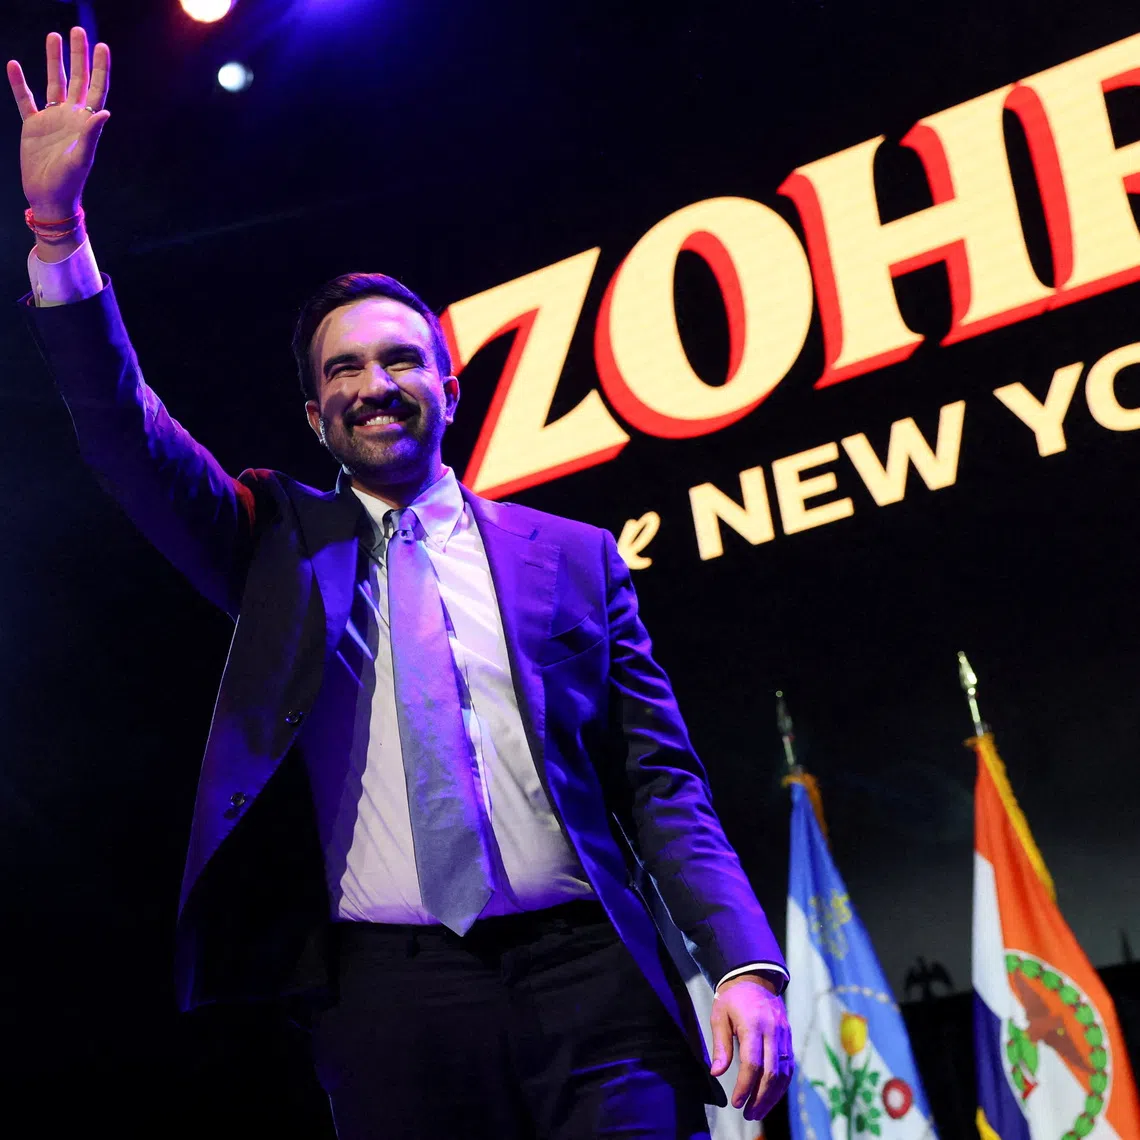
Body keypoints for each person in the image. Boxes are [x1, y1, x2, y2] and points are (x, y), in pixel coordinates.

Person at [8, 28, 794, 1140]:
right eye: (344, 371)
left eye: (399, 360)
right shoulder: (269, 538)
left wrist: (744, 963)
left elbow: (662, 786)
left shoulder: (573, 557)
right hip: (389, 996)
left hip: (594, 985)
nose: (375, 385)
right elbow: (126, 437)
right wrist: (58, 232)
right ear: (316, 415)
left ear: (448, 383)